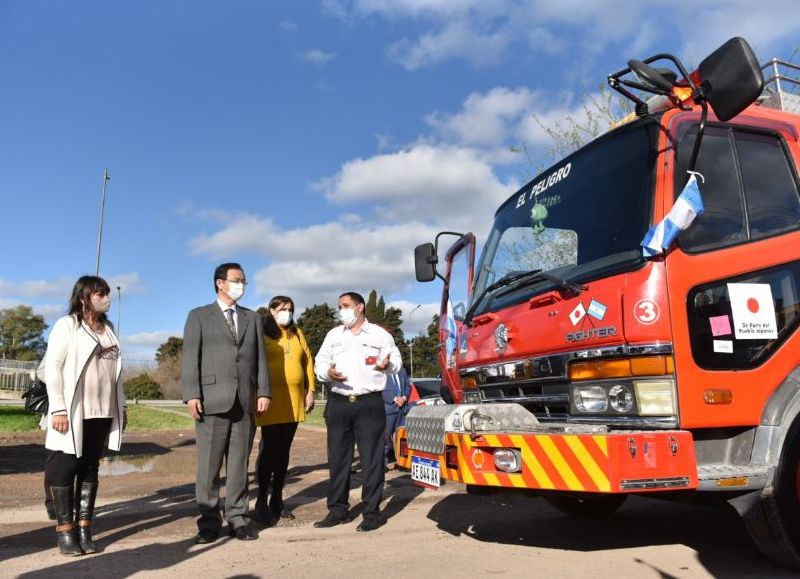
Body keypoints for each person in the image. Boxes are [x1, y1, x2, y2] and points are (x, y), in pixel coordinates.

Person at [181, 263, 271, 543]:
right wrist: (192, 393)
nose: (242, 284)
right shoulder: (198, 316)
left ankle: (238, 517)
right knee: (208, 467)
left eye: (244, 280)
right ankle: (208, 522)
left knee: (239, 465)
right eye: (237, 279)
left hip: (245, 401)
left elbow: (260, 358)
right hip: (211, 401)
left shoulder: (252, 317)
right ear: (220, 283)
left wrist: (264, 391)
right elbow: (189, 358)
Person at [44, 276, 126, 556]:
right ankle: (65, 531)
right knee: (66, 465)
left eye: (106, 294)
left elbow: (117, 374)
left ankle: (84, 528)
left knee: (91, 467)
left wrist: (121, 407)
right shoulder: (68, 325)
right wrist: (58, 407)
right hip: (72, 410)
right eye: (99, 294)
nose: (106, 298)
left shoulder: (109, 329)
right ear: (83, 298)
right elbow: (53, 367)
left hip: (103, 410)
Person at [313, 291, 402, 532]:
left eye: (346, 305)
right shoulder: (333, 335)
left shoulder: (379, 334)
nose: (342, 310)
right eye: (339, 306)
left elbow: (396, 360)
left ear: (360, 307)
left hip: (369, 403)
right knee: (338, 460)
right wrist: (327, 374)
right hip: (339, 403)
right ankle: (337, 510)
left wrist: (388, 364)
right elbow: (320, 362)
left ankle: (372, 513)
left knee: (371, 459)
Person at [253, 296, 316, 524]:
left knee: (283, 452)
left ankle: (277, 500)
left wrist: (310, 391)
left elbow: (308, 361)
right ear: (271, 310)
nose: (287, 313)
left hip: (293, 399)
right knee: (268, 450)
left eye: (290, 309)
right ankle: (260, 500)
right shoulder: (261, 331)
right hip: (269, 400)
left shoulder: (297, 332)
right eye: (282, 309)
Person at [383, 366, 412, 470]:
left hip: (402, 408)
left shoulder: (402, 370)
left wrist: (404, 398)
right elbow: (381, 390)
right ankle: (383, 464)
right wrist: (395, 399)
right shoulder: (383, 371)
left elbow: (408, 386)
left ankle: (403, 462)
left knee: (402, 437)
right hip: (389, 409)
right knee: (386, 438)